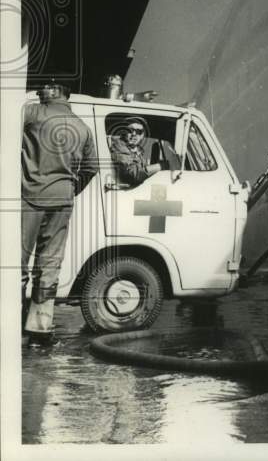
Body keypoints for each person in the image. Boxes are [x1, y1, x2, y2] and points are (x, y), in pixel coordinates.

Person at [21, 82, 98, 339]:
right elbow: (90, 169)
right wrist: (70, 189)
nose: (38, 92)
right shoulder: (83, 128)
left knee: (15, 261)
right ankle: (39, 325)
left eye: (43, 88)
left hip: (29, 197)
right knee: (50, 263)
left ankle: (9, 322)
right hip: (63, 200)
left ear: (55, 91)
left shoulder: (32, 113)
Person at [109, 117, 165, 188]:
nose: (134, 134)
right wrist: (159, 166)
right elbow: (132, 175)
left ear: (142, 136)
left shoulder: (137, 150)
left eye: (138, 131)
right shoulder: (118, 146)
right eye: (130, 130)